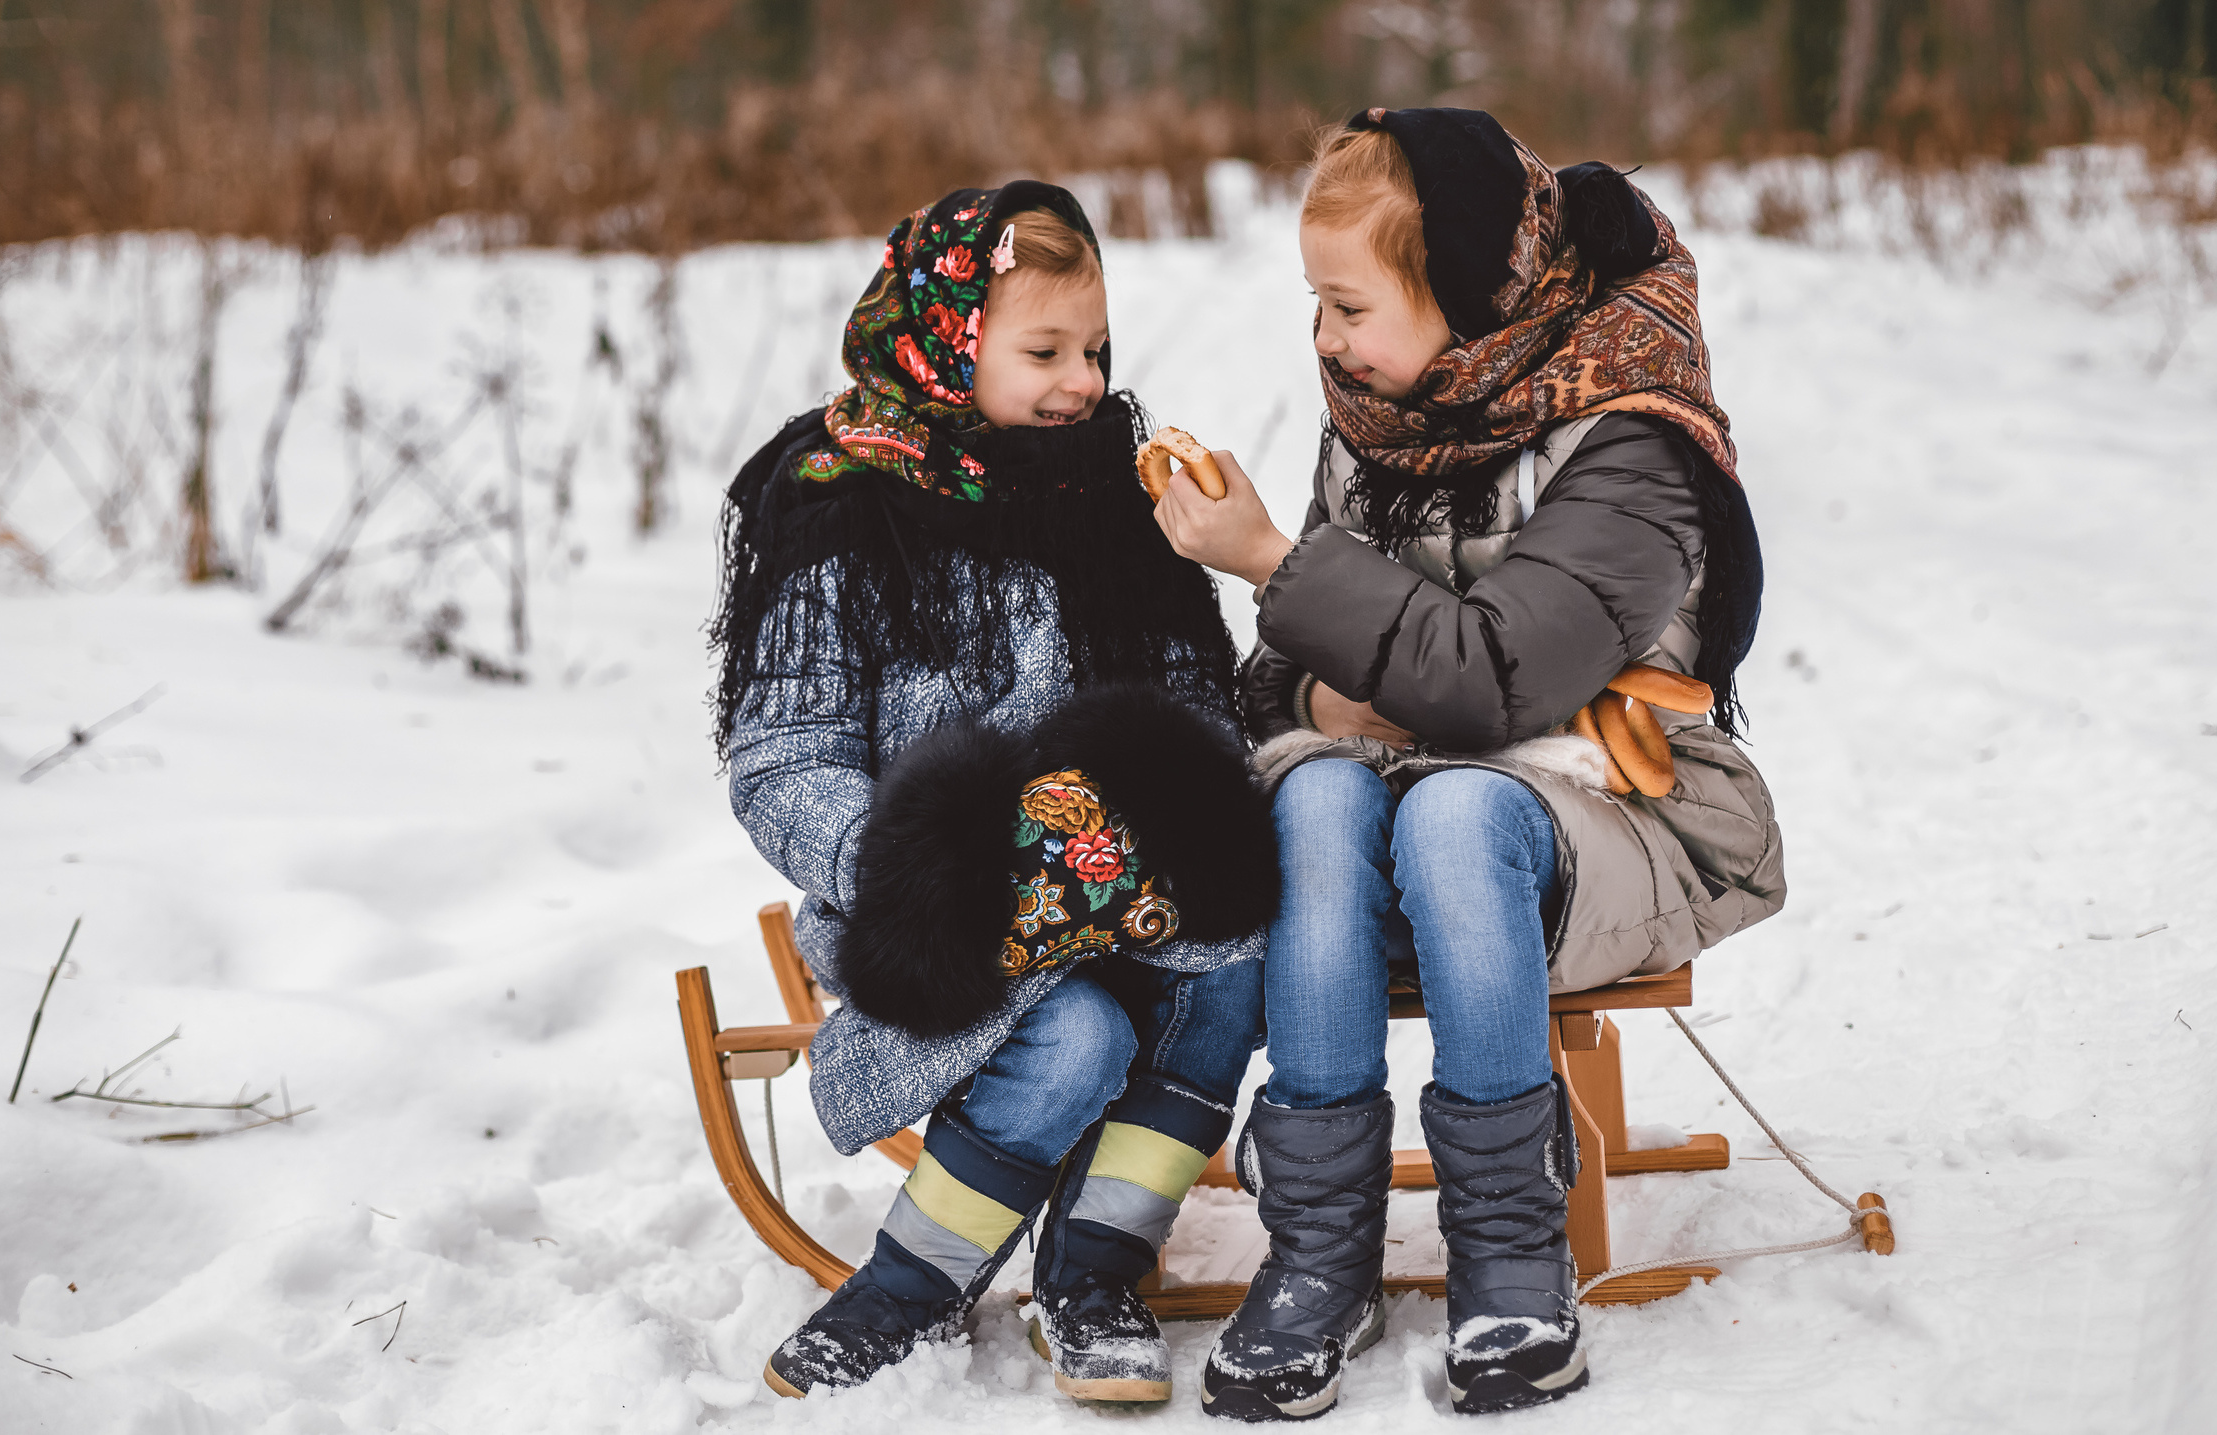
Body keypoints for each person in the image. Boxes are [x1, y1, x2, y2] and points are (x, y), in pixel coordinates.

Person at [1153, 110, 1786, 1420]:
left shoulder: (1630, 433)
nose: (1323, 342)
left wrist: (1274, 560)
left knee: (1451, 810)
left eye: (1347, 305)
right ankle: (1322, 1250)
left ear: (1462, 289)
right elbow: (1291, 674)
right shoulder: (1387, 414)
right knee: (1319, 788)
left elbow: (1500, 677)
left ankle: (1510, 1246)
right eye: (1314, 307)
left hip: (1617, 812)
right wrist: (1317, 687)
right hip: (1397, 811)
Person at [712, 181, 1278, 1405]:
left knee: (1224, 978)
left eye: (1095, 349)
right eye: (1043, 351)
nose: (1081, 380)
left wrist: (1170, 813)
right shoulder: (838, 501)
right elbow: (781, 753)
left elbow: (1190, 692)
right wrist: (909, 861)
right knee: (1073, 1035)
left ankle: (1092, 1272)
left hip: (1122, 879)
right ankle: (909, 1286)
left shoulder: (1118, 498)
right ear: (948, 338)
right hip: (949, 900)